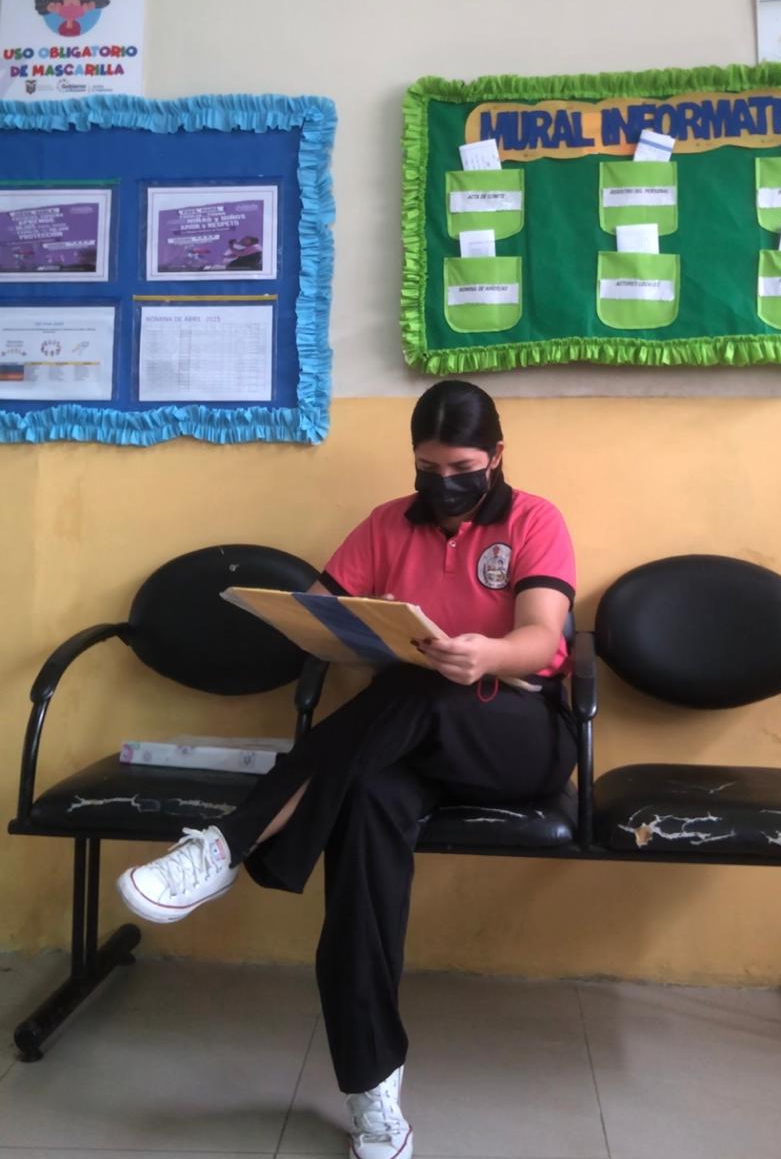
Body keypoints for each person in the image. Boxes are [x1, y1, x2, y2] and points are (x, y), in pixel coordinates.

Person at [116, 379, 578, 1159]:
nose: (443, 483)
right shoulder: (387, 524)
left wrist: (487, 654)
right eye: (428, 468)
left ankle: (229, 845)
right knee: (362, 805)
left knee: (418, 686)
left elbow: (540, 635)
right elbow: (324, 609)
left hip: (517, 733)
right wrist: (328, 628)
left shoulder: (535, 520)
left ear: (497, 456)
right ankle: (373, 1090)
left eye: (462, 468)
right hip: (401, 744)